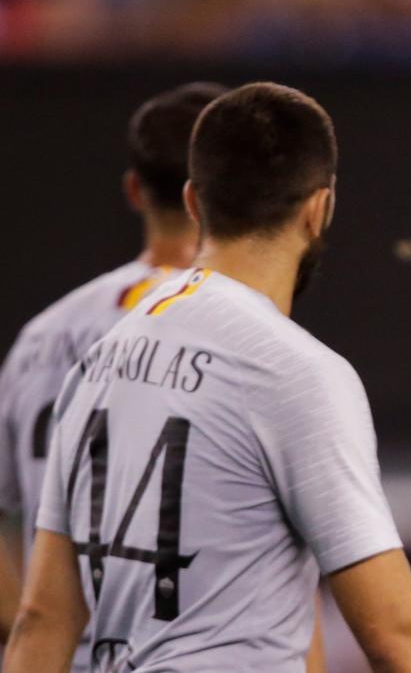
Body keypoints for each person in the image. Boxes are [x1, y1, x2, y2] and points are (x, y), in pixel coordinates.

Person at [4, 82, 411, 673]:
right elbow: (399, 634)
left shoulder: (99, 358)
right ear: (318, 209)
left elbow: (42, 622)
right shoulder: (297, 373)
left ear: (195, 203)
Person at [0, 82, 225, 653]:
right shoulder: (239, 333)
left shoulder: (40, 337)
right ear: (222, 194)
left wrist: (26, 631)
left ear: (134, 190)